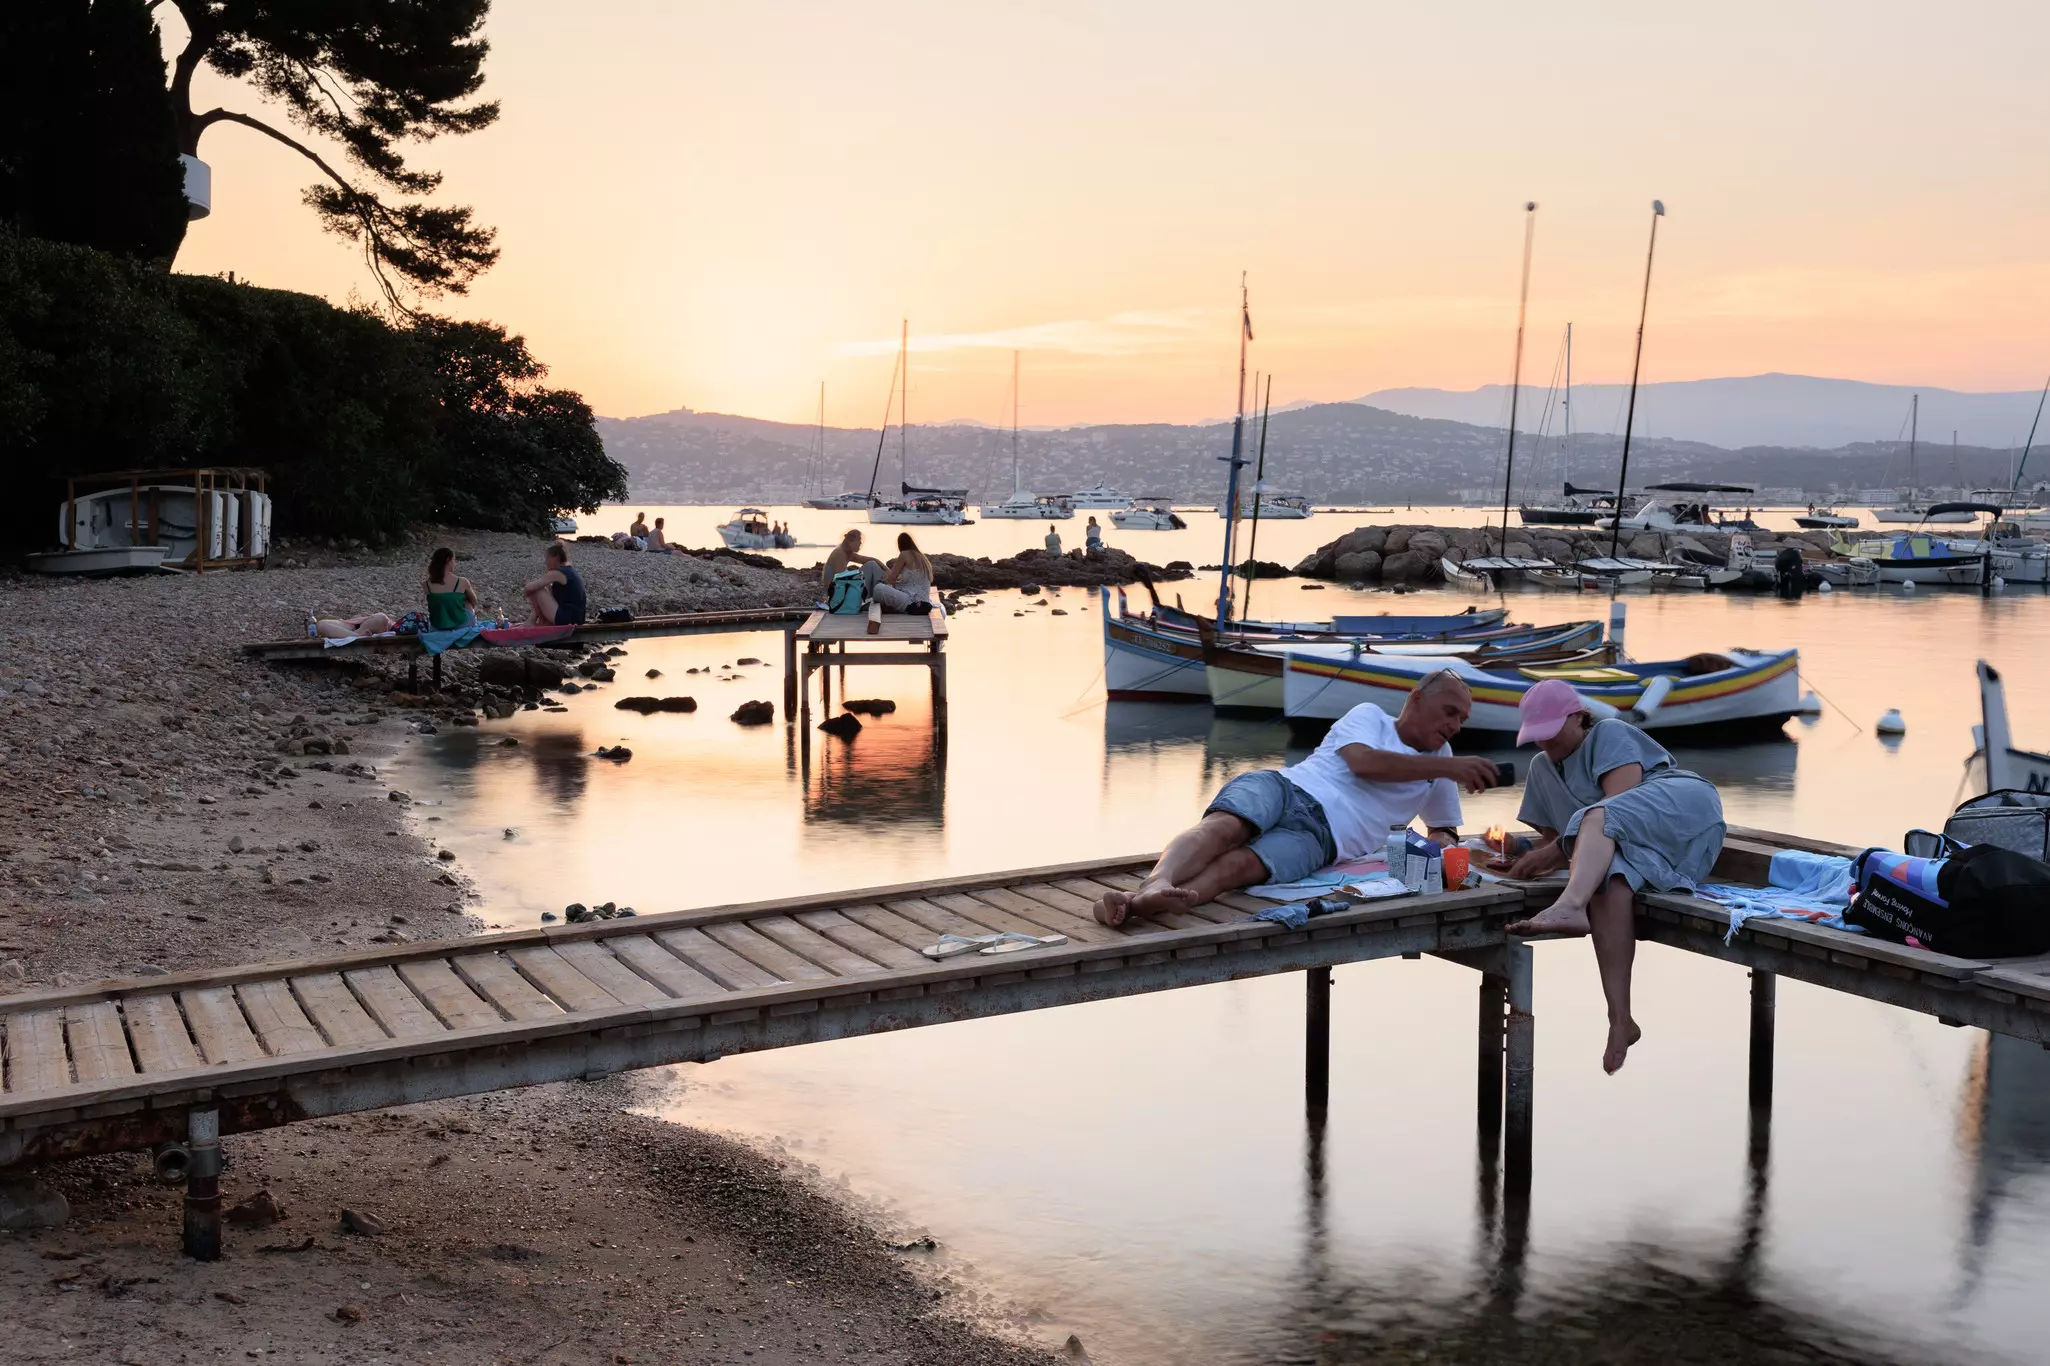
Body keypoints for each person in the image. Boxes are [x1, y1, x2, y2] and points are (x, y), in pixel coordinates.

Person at [1092, 671, 1501, 927]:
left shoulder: (1443, 761)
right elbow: (1363, 762)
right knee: (1224, 828)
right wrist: (1449, 768)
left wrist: (1444, 848)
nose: (1455, 725)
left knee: (1242, 865)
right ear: (1416, 698)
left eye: (1462, 719)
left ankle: (1155, 903)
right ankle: (1156, 882)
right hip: (1288, 787)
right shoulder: (1370, 715)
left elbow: (1444, 828)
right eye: (1449, 712)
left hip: (1325, 839)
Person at [1498, 679, 1726, 1075]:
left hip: (1683, 810)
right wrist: (1529, 859)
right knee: (1609, 882)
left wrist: (1556, 856)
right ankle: (1621, 1020)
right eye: (1538, 737)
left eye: (1552, 732)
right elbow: (1564, 845)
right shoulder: (1541, 767)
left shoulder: (1608, 732)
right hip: (1629, 839)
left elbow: (1617, 808)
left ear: (1578, 717)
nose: (1546, 743)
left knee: (1602, 817)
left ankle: (1569, 907)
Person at [524, 541, 588, 625]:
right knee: (545, 587)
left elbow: (528, 588)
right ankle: (542, 622)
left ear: (555, 558)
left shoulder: (557, 573)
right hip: (577, 618)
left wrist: (529, 594)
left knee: (537, 590)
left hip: (568, 619)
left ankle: (532, 621)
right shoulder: (569, 571)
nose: (545, 562)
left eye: (547, 558)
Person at [871, 533, 934, 612]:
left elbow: (891, 579)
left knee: (878, 588)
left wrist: (888, 572)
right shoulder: (923, 558)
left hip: (912, 601)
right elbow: (913, 582)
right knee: (890, 588)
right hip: (924, 602)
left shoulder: (904, 554)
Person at [424, 547, 480, 630]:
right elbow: (474, 602)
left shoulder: (426, 584)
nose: (455, 563)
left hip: (437, 626)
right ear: (448, 560)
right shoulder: (462, 581)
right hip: (462, 625)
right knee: (467, 602)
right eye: (454, 560)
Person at [821, 528, 881, 597]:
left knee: (871, 564)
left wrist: (887, 570)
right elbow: (841, 581)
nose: (861, 543)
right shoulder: (839, 553)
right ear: (851, 541)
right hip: (836, 595)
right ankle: (876, 595)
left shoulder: (847, 553)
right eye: (859, 540)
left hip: (841, 591)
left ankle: (876, 594)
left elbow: (872, 559)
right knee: (871, 566)